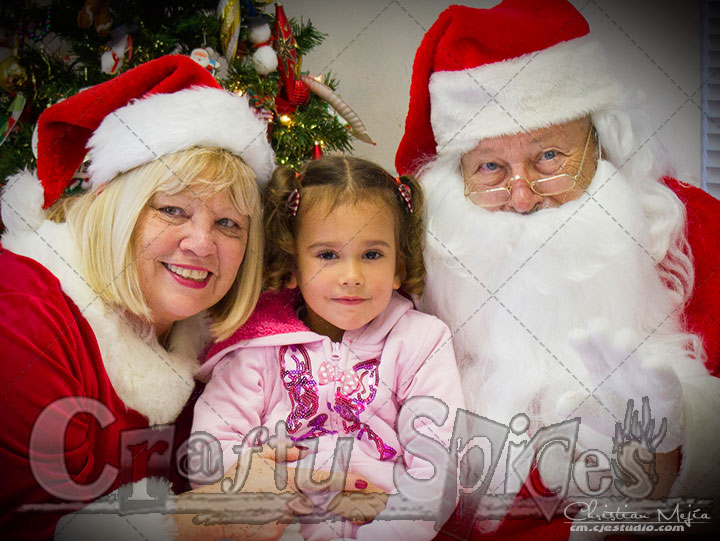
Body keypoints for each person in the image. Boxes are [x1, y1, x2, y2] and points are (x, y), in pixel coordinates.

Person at [395, 0, 720, 538]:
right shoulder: (412, 268)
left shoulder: (699, 232)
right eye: (491, 167)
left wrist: (684, 436)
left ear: (601, 143)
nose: (522, 197)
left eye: (549, 156)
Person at [0, 55, 281, 540]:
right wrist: (218, 514)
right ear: (115, 207)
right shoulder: (22, 310)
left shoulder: (213, 344)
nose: (201, 243)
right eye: (173, 209)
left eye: (228, 223)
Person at [192, 156, 465, 540]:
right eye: (327, 255)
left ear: (399, 265)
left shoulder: (421, 342)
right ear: (293, 265)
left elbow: (438, 469)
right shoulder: (257, 349)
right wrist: (280, 482)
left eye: (372, 255)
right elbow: (209, 452)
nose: (351, 276)